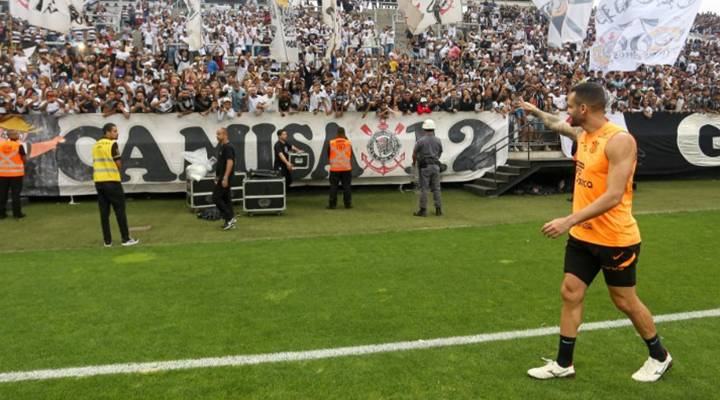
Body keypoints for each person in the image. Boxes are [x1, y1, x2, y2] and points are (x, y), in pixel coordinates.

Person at [521, 82, 671, 382]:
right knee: (570, 292)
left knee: (624, 301)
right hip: (583, 237)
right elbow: (553, 122)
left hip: (616, 238)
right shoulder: (582, 133)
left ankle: (659, 356)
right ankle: (564, 364)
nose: (567, 111)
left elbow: (614, 195)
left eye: (570, 106)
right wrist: (534, 110)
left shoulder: (619, 141)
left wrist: (567, 220)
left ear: (584, 109)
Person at [92, 123, 139, 247]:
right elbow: (118, 164)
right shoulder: (112, 144)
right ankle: (125, 239)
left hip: (99, 182)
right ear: (107, 132)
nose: (116, 133)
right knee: (120, 211)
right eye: (114, 131)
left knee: (104, 213)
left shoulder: (96, 145)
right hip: (112, 181)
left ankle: (107, 241)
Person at [412, 119, 443, 217]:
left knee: (424, 189)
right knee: (436, 188)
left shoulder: (421, 141)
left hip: (425, 166)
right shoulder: (438, 140)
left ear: (424, 129)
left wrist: (414, 163)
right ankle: (438, 210)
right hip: (436, 165)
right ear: (433, 129)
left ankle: (423, 210)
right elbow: (440, 152)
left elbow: (414, 154)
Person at [213, 127, 237, 231]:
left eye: (219, 134)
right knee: (226, 199)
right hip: (221, 177)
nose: (217, 136)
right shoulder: (222, 146)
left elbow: (230, 162)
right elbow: (221, 164)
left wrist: (225, 178)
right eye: (216, 134)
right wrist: (217, 177)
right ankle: (230, 219)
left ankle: (229, 217)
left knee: (216, 197)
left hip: (225, 177)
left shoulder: (228, 147)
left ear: (225, 134)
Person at [0, 130, 27, 219]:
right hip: (16, 174)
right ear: (13, 136)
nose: (18, 135)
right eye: (16, 134)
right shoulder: (19, 145)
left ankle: (1, 214)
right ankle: (17, 214)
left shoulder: (1, 145)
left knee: (2, 194)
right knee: (15, 194)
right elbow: (24, 158)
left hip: (2, 174)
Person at [327, 127, 353, 209]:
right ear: (344, 133)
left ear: (337, 133)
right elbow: (351, 154)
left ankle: (332, 204)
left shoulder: (332, 142)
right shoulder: (348, 142)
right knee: (347, 186)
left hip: (335, 168)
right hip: (346, 168)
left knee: (333, 186)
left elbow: (328, 153)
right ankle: (347, 204)